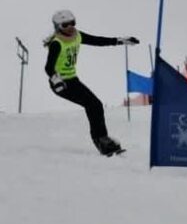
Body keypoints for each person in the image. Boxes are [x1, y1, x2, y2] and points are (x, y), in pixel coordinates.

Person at [44, 9, 139, 155]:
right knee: (93, 104)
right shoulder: (56, 44)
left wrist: (120, 40)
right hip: (60, 83)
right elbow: (48, 67)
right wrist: (57, 81)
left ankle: (103, 139)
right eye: (65, 25)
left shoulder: (77, 36)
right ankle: (101, 141)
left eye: (72, 23)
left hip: (73, 80)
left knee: (95, 104)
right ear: (57, 27)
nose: (70, 27)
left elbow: (98, 41)